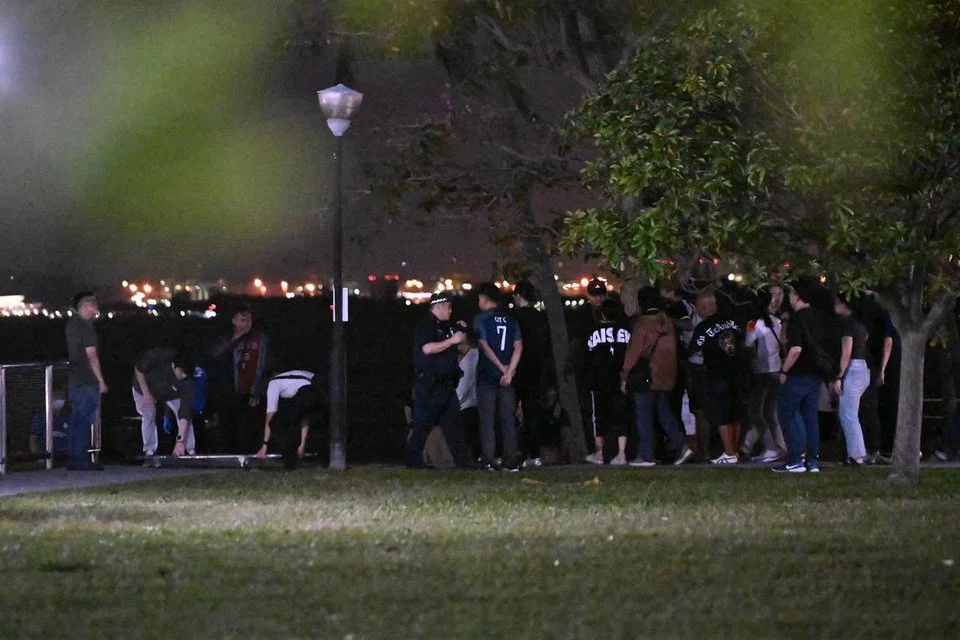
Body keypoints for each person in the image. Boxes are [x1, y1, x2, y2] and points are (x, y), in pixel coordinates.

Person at [621, 287, 693, 467]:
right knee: (663, 412)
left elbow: (632, 355)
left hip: (647, 376)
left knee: (644, 414)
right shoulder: (667, 322)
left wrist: (624, 376)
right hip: (668, 374)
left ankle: (646, 456)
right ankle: (682, 446)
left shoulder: (642, 324)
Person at [406, 292, 472, 468]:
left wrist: (461, 331)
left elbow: (462, 345)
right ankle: (413, 462)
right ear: (439, 307)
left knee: (454, 426)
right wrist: (451, 341)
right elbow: (427, 349)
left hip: (447, 385)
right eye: (449, 307)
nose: (451, 311)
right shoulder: (426, 326)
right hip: (430, 386)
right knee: (422, 426)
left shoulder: (447, 326)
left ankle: (464, 463)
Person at [774, 281, 828, 473]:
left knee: (788, 412)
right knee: (810, 416)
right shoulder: (819, 317)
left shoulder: (798, 319)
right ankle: (811, 460)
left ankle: (796, 458)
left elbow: (796, 348)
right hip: (816, 372)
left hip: (798, 372)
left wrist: (784, 370)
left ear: (796, 295)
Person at [689, 290, 746, 464]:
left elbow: (692, 350)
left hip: (717, 376)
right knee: (735, 414)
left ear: (704, 307)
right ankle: (734, 450)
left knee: (721, 415)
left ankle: (728, 453)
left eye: (698, 306)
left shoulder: (703, 327)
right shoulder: (733, 322)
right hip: (738, 373)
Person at [473, 282, 523, 471]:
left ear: (485, 300)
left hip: (487, 374)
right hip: (507, 378)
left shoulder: (480, 319)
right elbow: (518, 346)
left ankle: (489, 458)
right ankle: (511, 458)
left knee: (487, 418)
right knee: (507, 418)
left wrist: (502, 368)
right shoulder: (511, 320)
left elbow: (484, 345)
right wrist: (510, 370)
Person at [209, 302, 270, 453]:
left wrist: (256, 390)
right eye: (243, 320)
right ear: (234, 320)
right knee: (227, 427)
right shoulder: (225, 338)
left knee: (248, 428)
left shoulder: (259, 339)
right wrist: (235, 339)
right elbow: (215, 357)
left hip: (248, 392)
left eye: (249, 320)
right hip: (227, 392)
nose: (247, 324)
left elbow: (262, 365)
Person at [741, 288, 788, 463]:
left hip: (761, 372)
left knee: (756, 412)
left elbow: (747, 345)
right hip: (777, 370)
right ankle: (776, 447)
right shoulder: (777, 322)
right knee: (770, 412)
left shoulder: (754, 324)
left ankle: (771, 447)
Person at [584, 299, 631, 465]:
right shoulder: (626, 332)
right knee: (621, 416)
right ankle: (621, 453)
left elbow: (587, 355)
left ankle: (600, 453)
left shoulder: (594, 332)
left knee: (600, 417)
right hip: (620, 380)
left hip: (599, 381)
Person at [65, 291, 108, 471]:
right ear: (85, 306)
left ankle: (75, 457)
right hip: (87, 379)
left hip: (75, 378)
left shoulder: (71, 325)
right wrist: (101, 381)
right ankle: (81, 459)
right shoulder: (85, 327)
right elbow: (92, 356)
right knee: (84, 418)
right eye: (93, 304)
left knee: (76, 419)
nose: (96, 307)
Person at [133, 348, 197, 457]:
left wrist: (179, 441)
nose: (182, 377)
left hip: (171, 393)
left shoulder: (187, 382)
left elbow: (184, 413)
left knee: (184, 416)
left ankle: (188, 449)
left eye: (185, 375)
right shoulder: (158, 357)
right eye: (181, 373)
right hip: (143, 387)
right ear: (173, 365)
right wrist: (146, 394)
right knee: (149, 413)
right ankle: (149, 450)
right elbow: (138, 370)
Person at [512, 279, 549, 468]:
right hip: (537, 369)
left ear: (518, 297)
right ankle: (535, 453)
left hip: (518, 368)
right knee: (533, 412)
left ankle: (516, 451)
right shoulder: (540, 317)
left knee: (512, 412)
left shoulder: (515, 317)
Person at [254, 369, 323, 469]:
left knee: (277, 424)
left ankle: (291, 459)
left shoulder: (273, 383)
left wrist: (265, 445)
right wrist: (302, 444)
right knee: (299, 414)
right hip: (317, 385)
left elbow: (270, 416)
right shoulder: (290, 378)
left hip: (311, 387)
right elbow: (305, 416)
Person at [833, 295, 870, 466]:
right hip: (862, 367)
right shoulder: (861, 324)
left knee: (848, 414)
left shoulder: (848, 325)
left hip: (853, 369)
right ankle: (854, 453)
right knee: (848, 413)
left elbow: (846, 352)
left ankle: (857, 455)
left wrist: (840, 376)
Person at [456, 329, 480, 458]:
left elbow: (464, 386)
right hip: (467, 404)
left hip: (470, 406)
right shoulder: (465, 358)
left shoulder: (473, 357)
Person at [29, 391, 70, 458]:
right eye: (55, 397)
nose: (58, 400)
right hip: (46, 456)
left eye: (61, 397)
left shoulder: (68, 416)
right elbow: (33, 439)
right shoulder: (41, 417)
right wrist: (37, 457)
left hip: (66, 457)